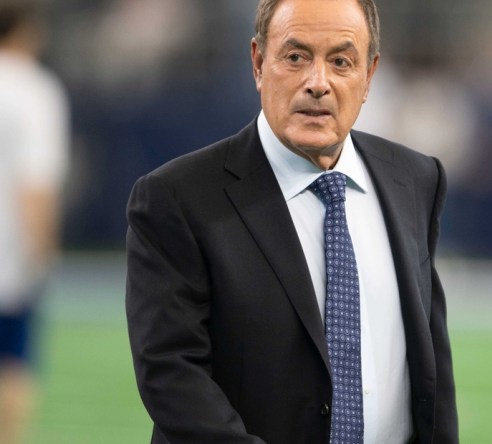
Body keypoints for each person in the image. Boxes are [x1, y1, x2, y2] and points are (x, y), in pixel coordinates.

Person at [125, 0, 458, 443]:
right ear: (259, 63)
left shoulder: (415, 179)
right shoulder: (177, 198)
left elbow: (431, 366)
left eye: (341, 61)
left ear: (369, 76)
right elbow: (173, 377)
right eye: (296, 57)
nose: (317, 83)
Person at [0, 1, 70, 443]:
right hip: (7, 263)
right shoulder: (33, 91)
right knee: (13, 368)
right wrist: (42, 256)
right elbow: (36, 186)